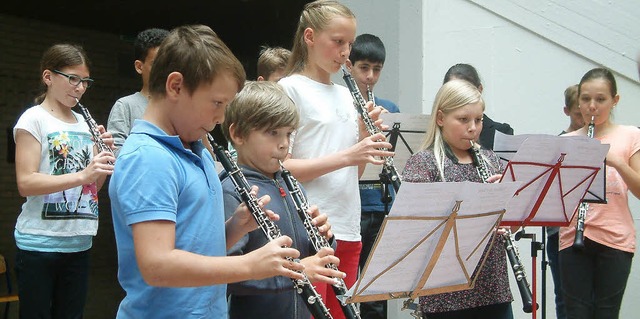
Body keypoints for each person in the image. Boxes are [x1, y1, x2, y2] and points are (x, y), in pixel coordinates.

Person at [108, 25, 306, 318]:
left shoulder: (194, 151)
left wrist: (236, 226)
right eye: (217, 103)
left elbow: (196, 248)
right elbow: (157, 265)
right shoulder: (148, 158)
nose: (221, 117)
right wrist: (251, 265)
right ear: (175, 86)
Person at [278, 1, 393, 317]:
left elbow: (352, 175)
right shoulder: (289, 89)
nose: (346, 52)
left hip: (348, 227)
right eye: (338, 42)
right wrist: (349, 154)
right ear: (310, 37)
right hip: (309, 228)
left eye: (350, 44)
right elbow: (281, 168)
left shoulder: (345, 94)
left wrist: (361, 135)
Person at [220, 80, 344, 319]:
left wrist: (324, 239)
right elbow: (226, 276)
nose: (284, 143)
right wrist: (296, 273)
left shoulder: (292, 184)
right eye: (272, 132)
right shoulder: (231, 190)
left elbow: (306, 254)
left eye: (288, 133)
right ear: (237, 134)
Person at [13, 43, 116, 318]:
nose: (80, 88)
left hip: (79, 242)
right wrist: (83, 174)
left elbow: (92, 189)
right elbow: (26, 182)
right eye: (73, 79)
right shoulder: (33, 119)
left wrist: (100, 161)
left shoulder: (85, 123)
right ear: (48, 77)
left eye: (85, 81)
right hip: (39, 244)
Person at [402, 79, 514, 319]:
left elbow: (511, 221)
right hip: (445, 293)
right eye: (463, 120)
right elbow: (416, 231)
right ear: (441, 118)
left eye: (478, 119)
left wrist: (508, 213)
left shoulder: (491, 160)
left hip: (492, 286)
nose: (473, 128)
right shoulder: (424, 164)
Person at [559, 67, 639, 319]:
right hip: (573, 236)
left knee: (606, 313)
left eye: (601, 99)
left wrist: (617, 162)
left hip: (615, 238)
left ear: (615, 100)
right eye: (585, 99)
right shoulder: (567, 141)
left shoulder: (631, 134)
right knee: (576, 312)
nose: (592, 106)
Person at [346, 32, 400, 319]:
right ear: (349, 66)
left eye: (376, 69)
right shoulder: (339, 106)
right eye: (363, 67)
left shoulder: (389, 109)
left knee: (375, 292)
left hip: (380, 204)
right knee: (342, 286)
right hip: (349, 204)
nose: (370, 76)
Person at [547, 84, 582, 319]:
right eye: (579, 113)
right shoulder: (556, 146)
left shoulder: (598, 142)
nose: (586, 118)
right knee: (564, 295)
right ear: (566, 111)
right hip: (559, 232)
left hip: (591, 230)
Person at [107, 28, 169, 156]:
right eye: (156, 64)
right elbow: (116, 154)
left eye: (168, 64)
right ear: (139, 66)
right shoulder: (125, 106)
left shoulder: (180, 106)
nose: (164, 70)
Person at [442, 63, 513, 150]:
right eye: (454, 93)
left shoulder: (502, 133)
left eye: (467, 92)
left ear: (479, 90)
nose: (472, 128)